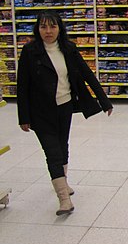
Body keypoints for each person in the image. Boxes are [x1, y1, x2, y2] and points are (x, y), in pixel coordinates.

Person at [17, 11, 113, 216]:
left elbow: (87, 74)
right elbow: (22, 85)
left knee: (62, 146)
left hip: (65, 106)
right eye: (43, 27)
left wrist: (104, 101)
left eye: (52, 26)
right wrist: (23, 117)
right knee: (52, 152)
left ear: (59, 28)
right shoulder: (30, 51)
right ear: (38, 29)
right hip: (40, 112)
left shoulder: (68, 49)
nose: (48, 31)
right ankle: (64, 199)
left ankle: (64, 182)